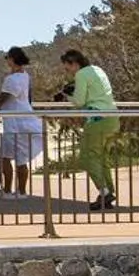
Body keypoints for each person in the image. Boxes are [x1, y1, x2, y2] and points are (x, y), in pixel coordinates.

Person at [56, 49, 118, 209]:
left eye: (67, 68)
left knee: (87, 157)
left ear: (74, 63)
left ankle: (105, 193)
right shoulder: (97, 69)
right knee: (101, 158)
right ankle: (107, 193)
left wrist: (66, 97)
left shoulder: (81, 74)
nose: (67, 72)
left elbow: (79, 102)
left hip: (98, 120)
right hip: (112, 118)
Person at [0, 46, 43, 195]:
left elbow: (3, 98)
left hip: (15, 124)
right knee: (18, 158)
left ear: (12, 59)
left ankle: (9, 191)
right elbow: (28, 98)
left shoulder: (11, 79)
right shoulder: (25, 76)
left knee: (7, 158)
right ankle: (20, 191)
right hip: (25, 119)